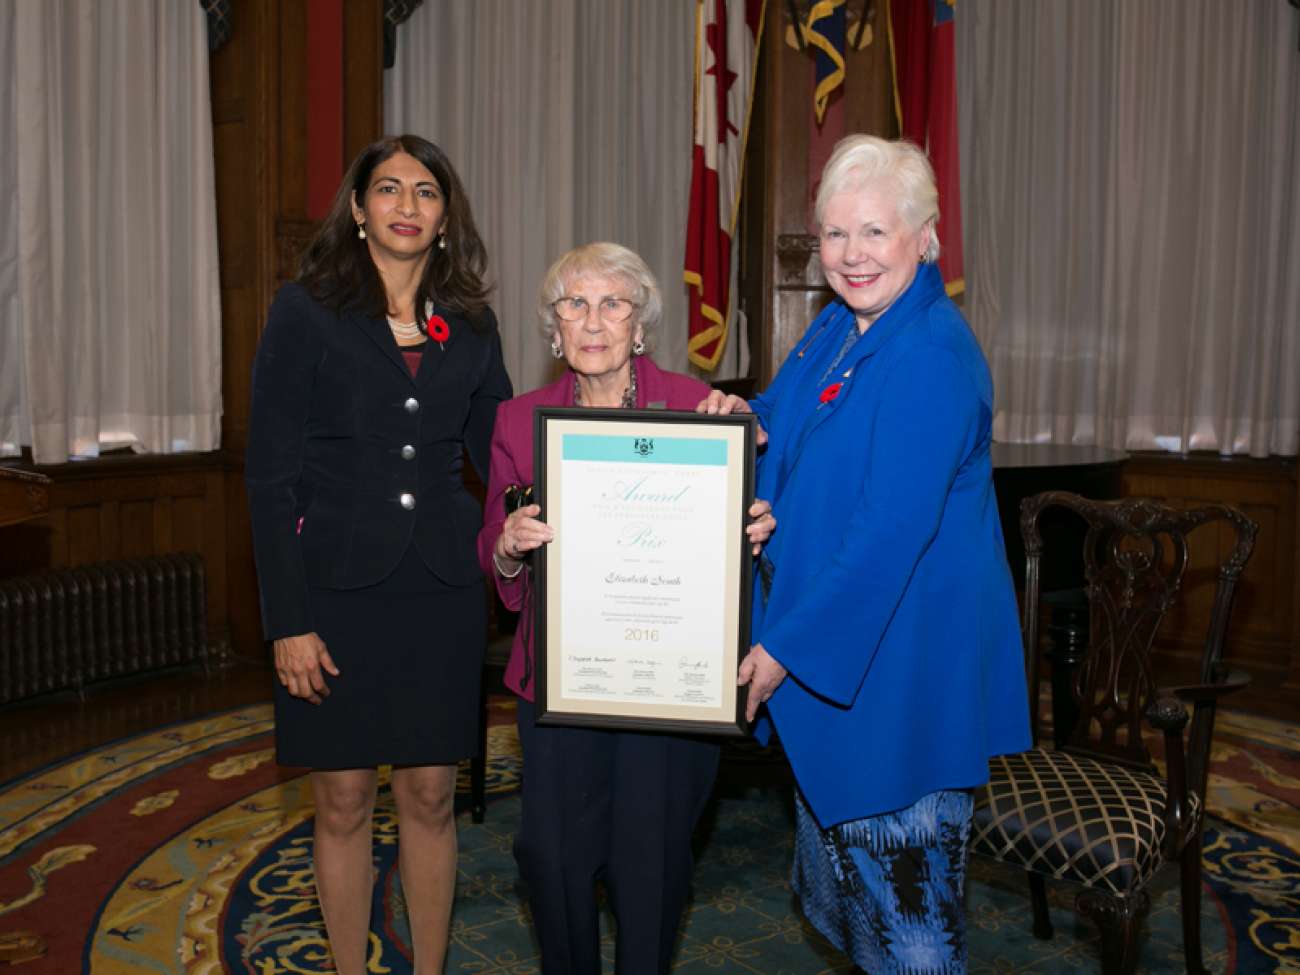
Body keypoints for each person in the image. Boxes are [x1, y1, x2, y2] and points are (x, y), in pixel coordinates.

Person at [699, 135, 1032, 973]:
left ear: (926, 237)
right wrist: (741, 415)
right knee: (855, 910)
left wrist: (781, 649)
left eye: (875, 232)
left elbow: (887, 535)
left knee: (909, 931)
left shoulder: (929, 357)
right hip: (852, 667)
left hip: (898, 680)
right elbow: (786, 407)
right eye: (835, 234)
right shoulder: (841, 327)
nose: (852, 255)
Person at [245, 134, 511, 975]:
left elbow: (505, 454)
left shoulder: (469, 321)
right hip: (335, 592)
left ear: (444, 214)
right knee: (345, 797)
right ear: (358, 209)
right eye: (388, 189)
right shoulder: (305, 309)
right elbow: (268, 477)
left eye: (425, 191)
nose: (406, 205)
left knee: (431, 794)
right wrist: (288, 622)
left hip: (440, 587)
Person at [477, 242, 775, 974]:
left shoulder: (697, 407)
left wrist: (753, 527)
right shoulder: (519, 421)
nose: (594, 320)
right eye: (575, 304)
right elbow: (492, 545)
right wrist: (510, 545)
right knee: (551, 858)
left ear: (640, 323)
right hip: (561, 680)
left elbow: (739, 531)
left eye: (613, 303)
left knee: (653, 863)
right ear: (554, 328)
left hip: (669, 685)